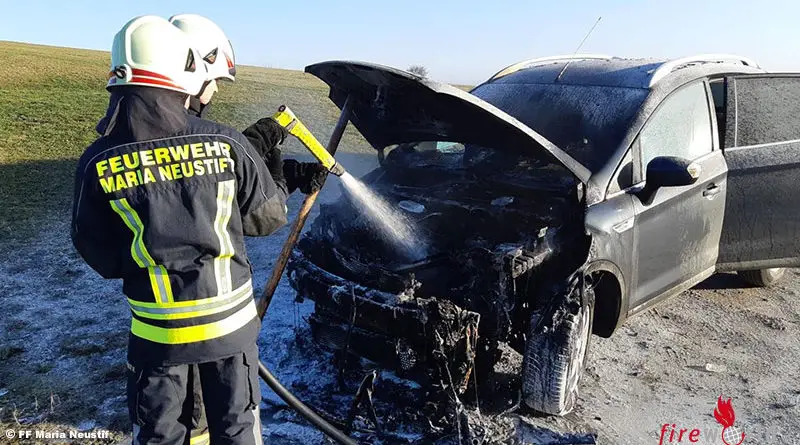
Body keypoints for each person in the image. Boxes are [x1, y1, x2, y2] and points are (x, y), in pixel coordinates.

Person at [71, 15, 322, 445]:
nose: (215, 91)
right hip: (229, 333)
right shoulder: (226, 143)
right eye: (214, 80)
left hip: (157, 338)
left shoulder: (98, 160)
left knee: (161, 434)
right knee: (236, 430)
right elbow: (265, 217)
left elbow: (99, 252)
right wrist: (279, 174)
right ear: (184, 70)